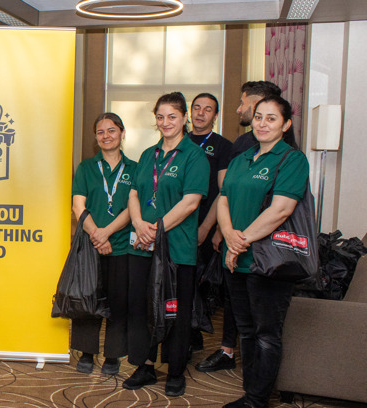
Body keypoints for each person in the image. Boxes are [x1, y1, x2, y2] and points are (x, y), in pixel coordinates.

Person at [217, 95, 308, 408]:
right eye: (258, 117)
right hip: (236, 260)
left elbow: (281, 209)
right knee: (246, 332)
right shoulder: (242, 158)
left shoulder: (292, 159)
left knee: (266, 333)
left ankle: (257, 400)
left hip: (269, 263)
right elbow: (224, 200)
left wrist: (239, 242)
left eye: (271, 118)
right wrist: (229, 235)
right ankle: (249, 394)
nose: (263, 123)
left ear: (286, 124)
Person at [124, 92, 209, 396]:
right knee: (142, 308)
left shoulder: (194, 155)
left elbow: (190, 202)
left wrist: (157, 229)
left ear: (184, 118)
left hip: (177, 249)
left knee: (175, 310)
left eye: (172, 116)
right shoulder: (149, 155)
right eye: (160, 117)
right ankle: (145, 365)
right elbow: (133, 193)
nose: (165, 122)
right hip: (142, 246)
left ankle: (175, 371)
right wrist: (137, 224)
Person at [70, 113, 136, 375]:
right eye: (100, 132)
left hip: (122, 246)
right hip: (90, 245)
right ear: (95, 137)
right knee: (87, 299)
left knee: (119, 304)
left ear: (122, 133)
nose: (106, 136)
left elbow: (134, 207)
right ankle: (86, 352)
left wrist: (106, 233)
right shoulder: (86, 167)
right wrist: (97, 235)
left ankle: (113, 355)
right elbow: (78, 206)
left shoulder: (136, 168)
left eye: (112, 130)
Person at [185, 93, 237, 372]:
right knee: (181, 282)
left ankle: (200, 331)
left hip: (206, 225)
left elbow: (224, 190)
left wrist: (209, 227)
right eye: (197, 108)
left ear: (215, 116)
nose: (201, 113)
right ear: (189, 112)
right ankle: (188, 337)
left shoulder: (223, 147)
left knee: (203, 283)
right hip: (176, 225)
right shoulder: (176, 141)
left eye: (208, 110)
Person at [231, 81, 296, 158]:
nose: (238, 110)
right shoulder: (243, 141)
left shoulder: (291, 156)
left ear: (256, 104)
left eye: (242, 103)